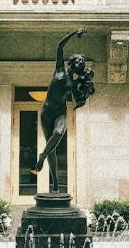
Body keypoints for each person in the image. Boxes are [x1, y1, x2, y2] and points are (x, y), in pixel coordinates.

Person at [30, 28, 95, 194]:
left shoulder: (74, 83)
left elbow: (78, 99)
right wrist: (74, 33)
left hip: (60, 113)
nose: (81, 63)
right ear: (72, 61)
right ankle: (56, 185)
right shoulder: (59, 69)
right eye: (79, 60)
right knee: (52, 148)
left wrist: (85, 92)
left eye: (83, 62)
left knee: (58, 133)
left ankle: (42, 157)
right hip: (46, 113)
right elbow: (60, 46)